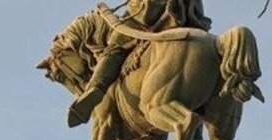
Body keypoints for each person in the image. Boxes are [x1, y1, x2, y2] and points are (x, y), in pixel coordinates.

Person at [66, 0, 212, 127]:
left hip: (152, 9)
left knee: (115, 47)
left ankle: (95, 91)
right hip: (191, 13)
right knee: (191, 98)